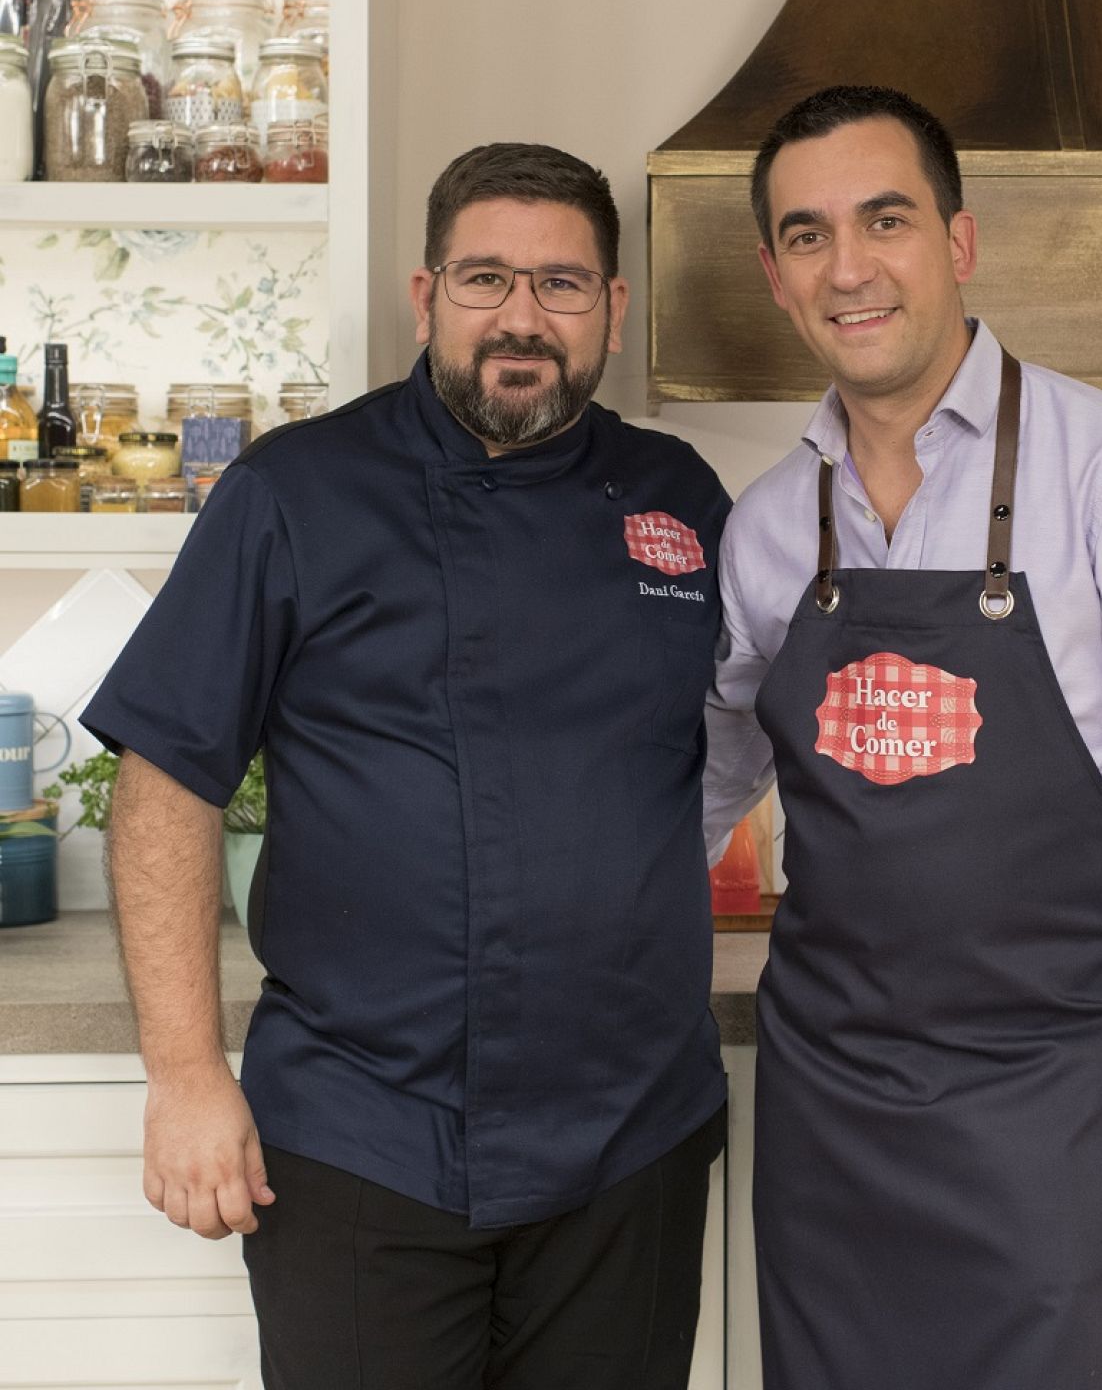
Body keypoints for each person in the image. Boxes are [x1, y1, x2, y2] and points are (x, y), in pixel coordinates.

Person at [82, 142, 730, 1390]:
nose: (522, 318)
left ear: (613, 309)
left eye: (562, 283)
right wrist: (184, 1072)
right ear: (426, 296)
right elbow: (167, 777)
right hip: (361, 1137)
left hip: (629, 1134)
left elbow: (744, 729)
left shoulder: (679, 496)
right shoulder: (294, 491)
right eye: (485, 279)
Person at [703, 86, 1102, 1389]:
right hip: (830, 1125)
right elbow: (693, 792)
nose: (849, 268)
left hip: (1053, 1124)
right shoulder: (762, 532)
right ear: (773, 275)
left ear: (958, 241)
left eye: (885, 220)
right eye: (807, 236)